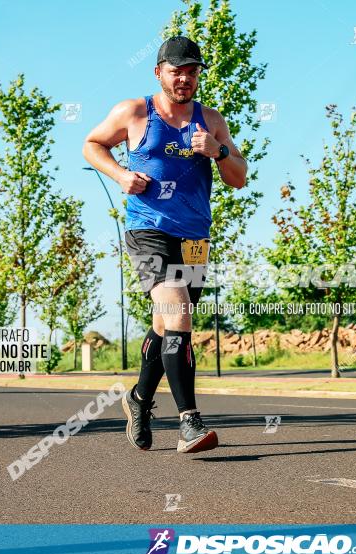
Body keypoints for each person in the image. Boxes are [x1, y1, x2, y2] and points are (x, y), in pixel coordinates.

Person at [83, 36, 247, 453]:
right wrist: (120, 175)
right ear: (159, 72)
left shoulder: (211, 119)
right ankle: (189, 423)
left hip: (194, 237)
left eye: (192, 72)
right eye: (177, 71)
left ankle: (138, 399)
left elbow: (238, 176)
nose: (185, 79)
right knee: (178, 313)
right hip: (148, 230)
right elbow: (92, 144)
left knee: (166, 326)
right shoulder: (134, 111)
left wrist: (219, 149)